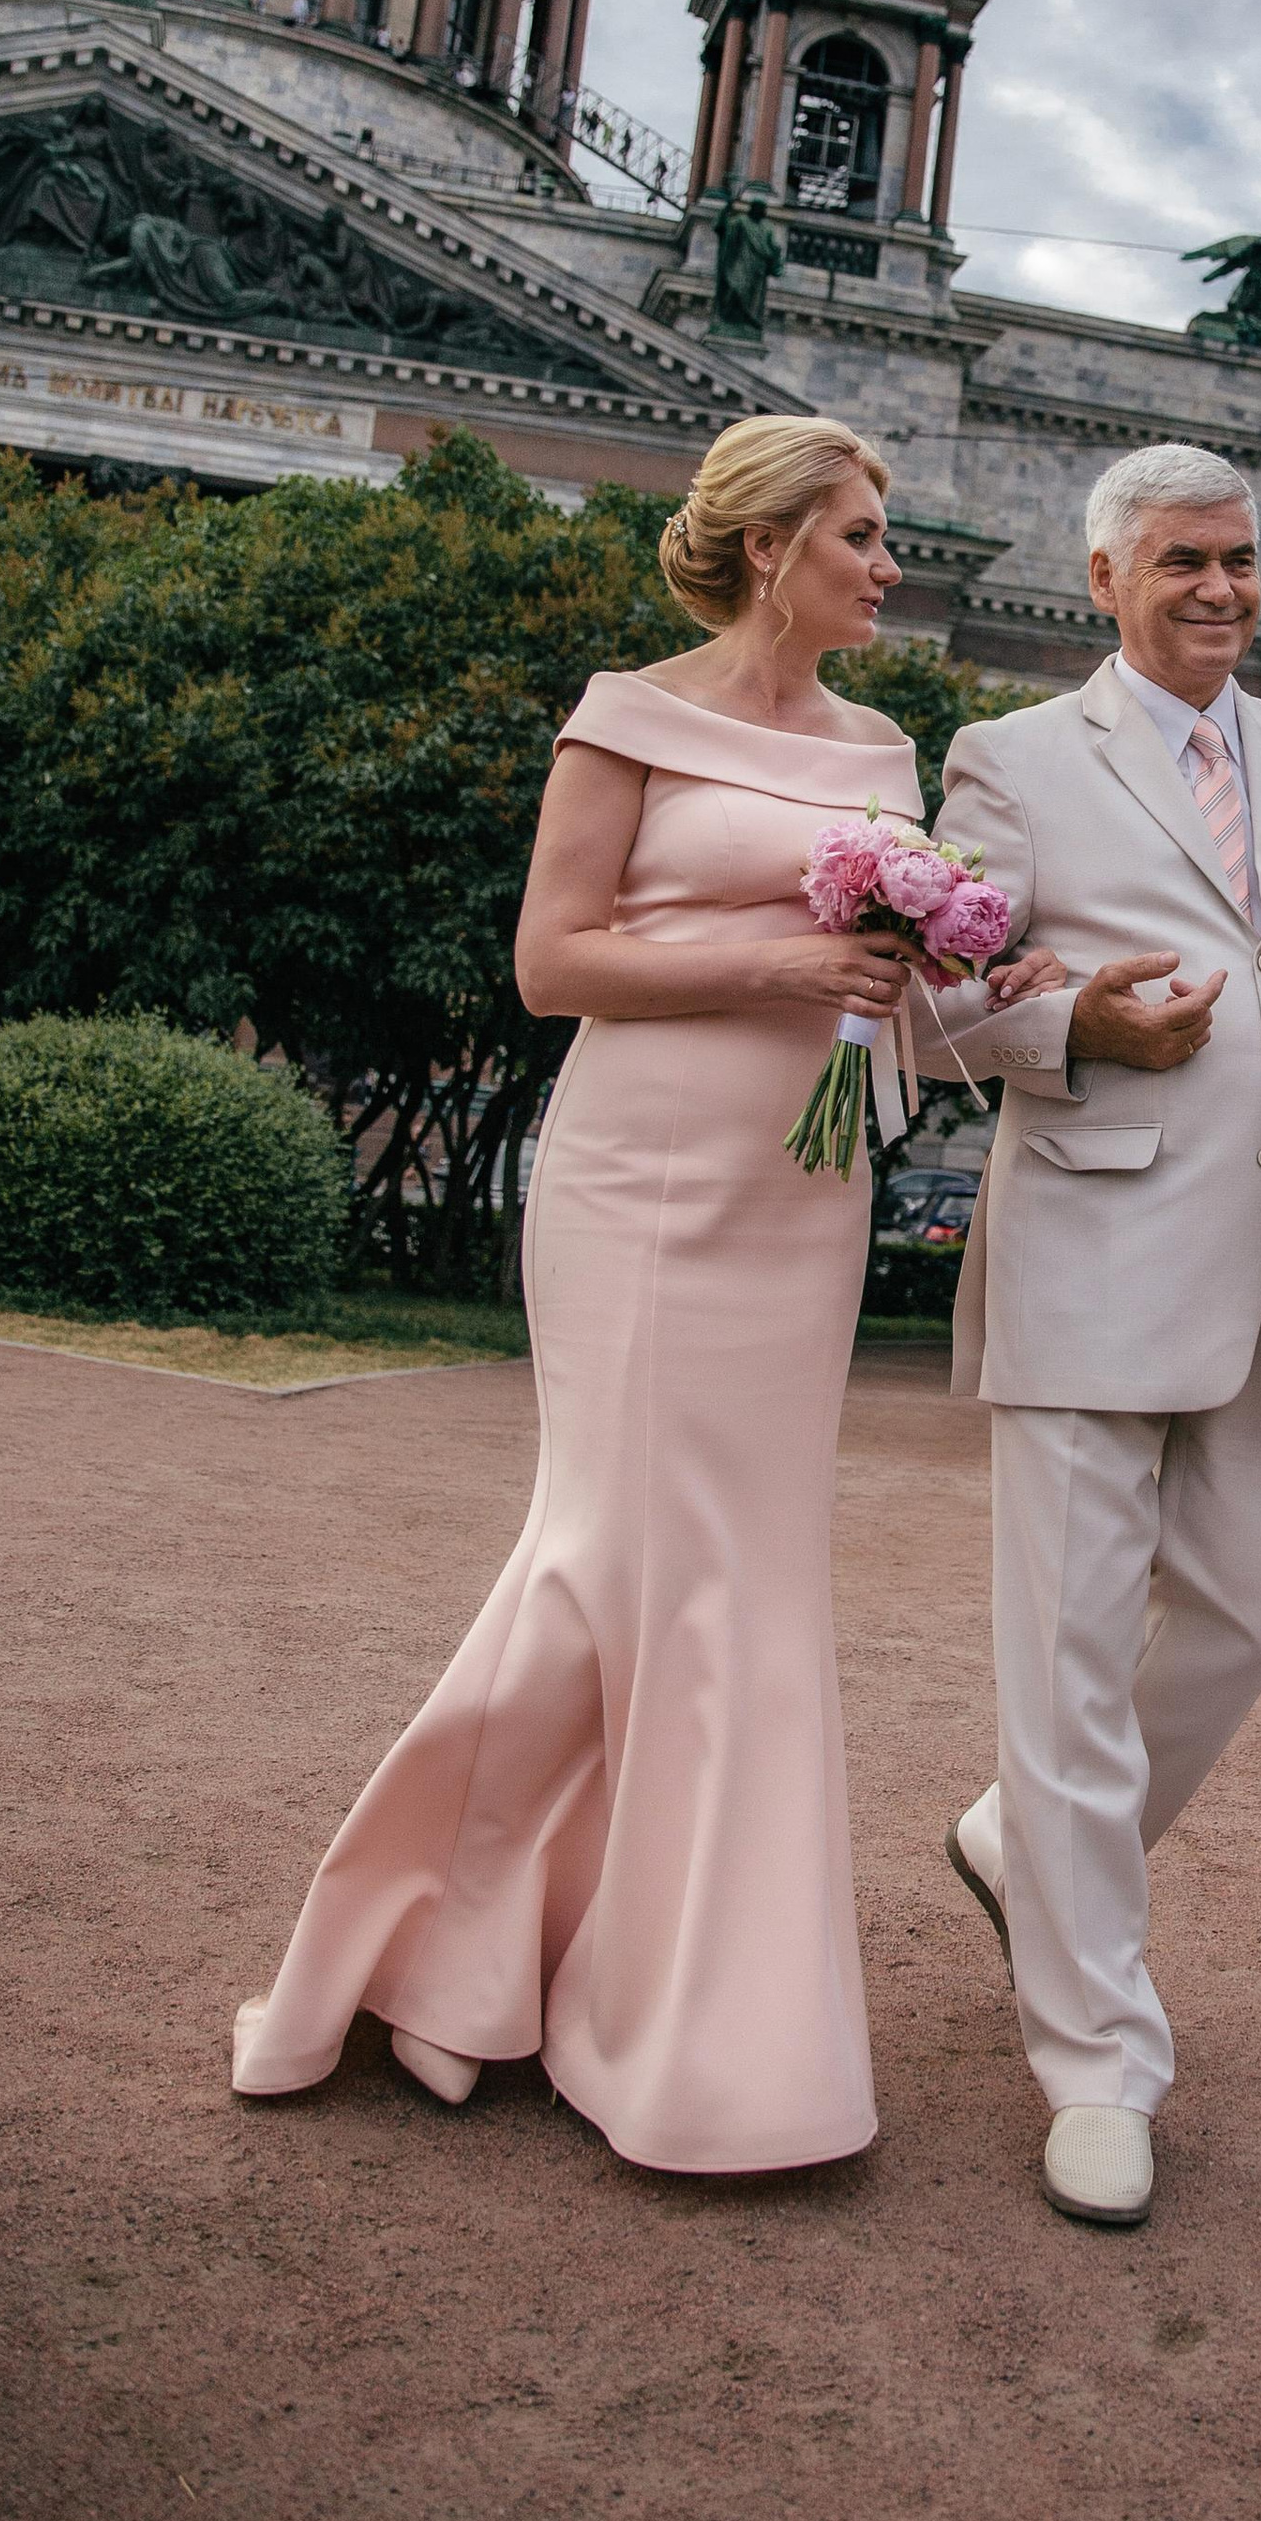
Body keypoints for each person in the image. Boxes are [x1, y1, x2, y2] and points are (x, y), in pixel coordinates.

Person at [229, 415, 1063, 2170]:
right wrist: (773, 947)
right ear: (771, 548)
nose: (888, 566)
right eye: (860, 534)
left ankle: (633, 2009)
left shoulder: (882, 746)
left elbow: (884, 1003)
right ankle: (446, 1958)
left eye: (885, 536)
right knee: (615, 1562)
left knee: (741, 1578)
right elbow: (552, 962)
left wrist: (1008, 984)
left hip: (802, 1185)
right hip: (633, 1175)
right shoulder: (625, 713)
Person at [929, 441, 1261, 2231]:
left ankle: (1011, 1845)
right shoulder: (1012, 761)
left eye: (1242, 561)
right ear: (1105, 578)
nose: (1220, 590)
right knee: (1070, 1661)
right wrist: (1074, 1041)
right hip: (1093, 1251)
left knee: (1256, 1620)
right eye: (1183, 561)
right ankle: (1098, 2063)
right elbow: (934, 1005)